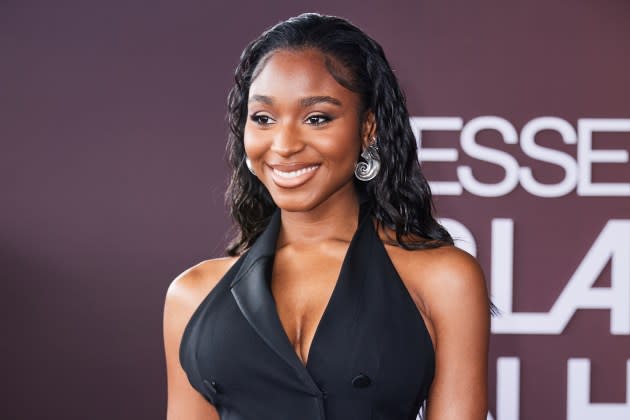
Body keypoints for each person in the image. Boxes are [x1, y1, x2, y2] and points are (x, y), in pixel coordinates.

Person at [163, 12, 490, 420]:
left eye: (317, 118)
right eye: (263, 118)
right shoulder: (192, 296)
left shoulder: (442, 278)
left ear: (368, 128)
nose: (283, 144)